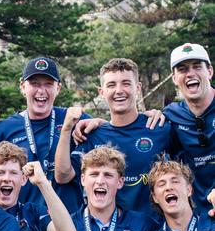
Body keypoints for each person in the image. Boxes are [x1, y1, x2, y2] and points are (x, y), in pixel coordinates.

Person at [55, 58, 171, 217]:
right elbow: (62, 176)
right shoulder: (93, 134)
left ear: (137, 88)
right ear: (101, 92)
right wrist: (67, 128)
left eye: (126, 83)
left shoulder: (159, 127)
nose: (119, 90)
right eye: (111, 85)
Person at [0, 57, 88, 213]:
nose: (41, 91)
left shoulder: (74, 119)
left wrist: (98, 121)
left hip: (70, 223)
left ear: (58, 88)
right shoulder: (4, 129)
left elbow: (109, 133)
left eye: (48, 84)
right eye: (34, 84)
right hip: (23, 226)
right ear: (23, 87)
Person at [164, 43, 215, 215]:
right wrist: (98, 123)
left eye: (197, 67)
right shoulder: (170, 115)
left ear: (209, 71)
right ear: (174, 78)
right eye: (183, 69)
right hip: (197, 218)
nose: (190, 73)